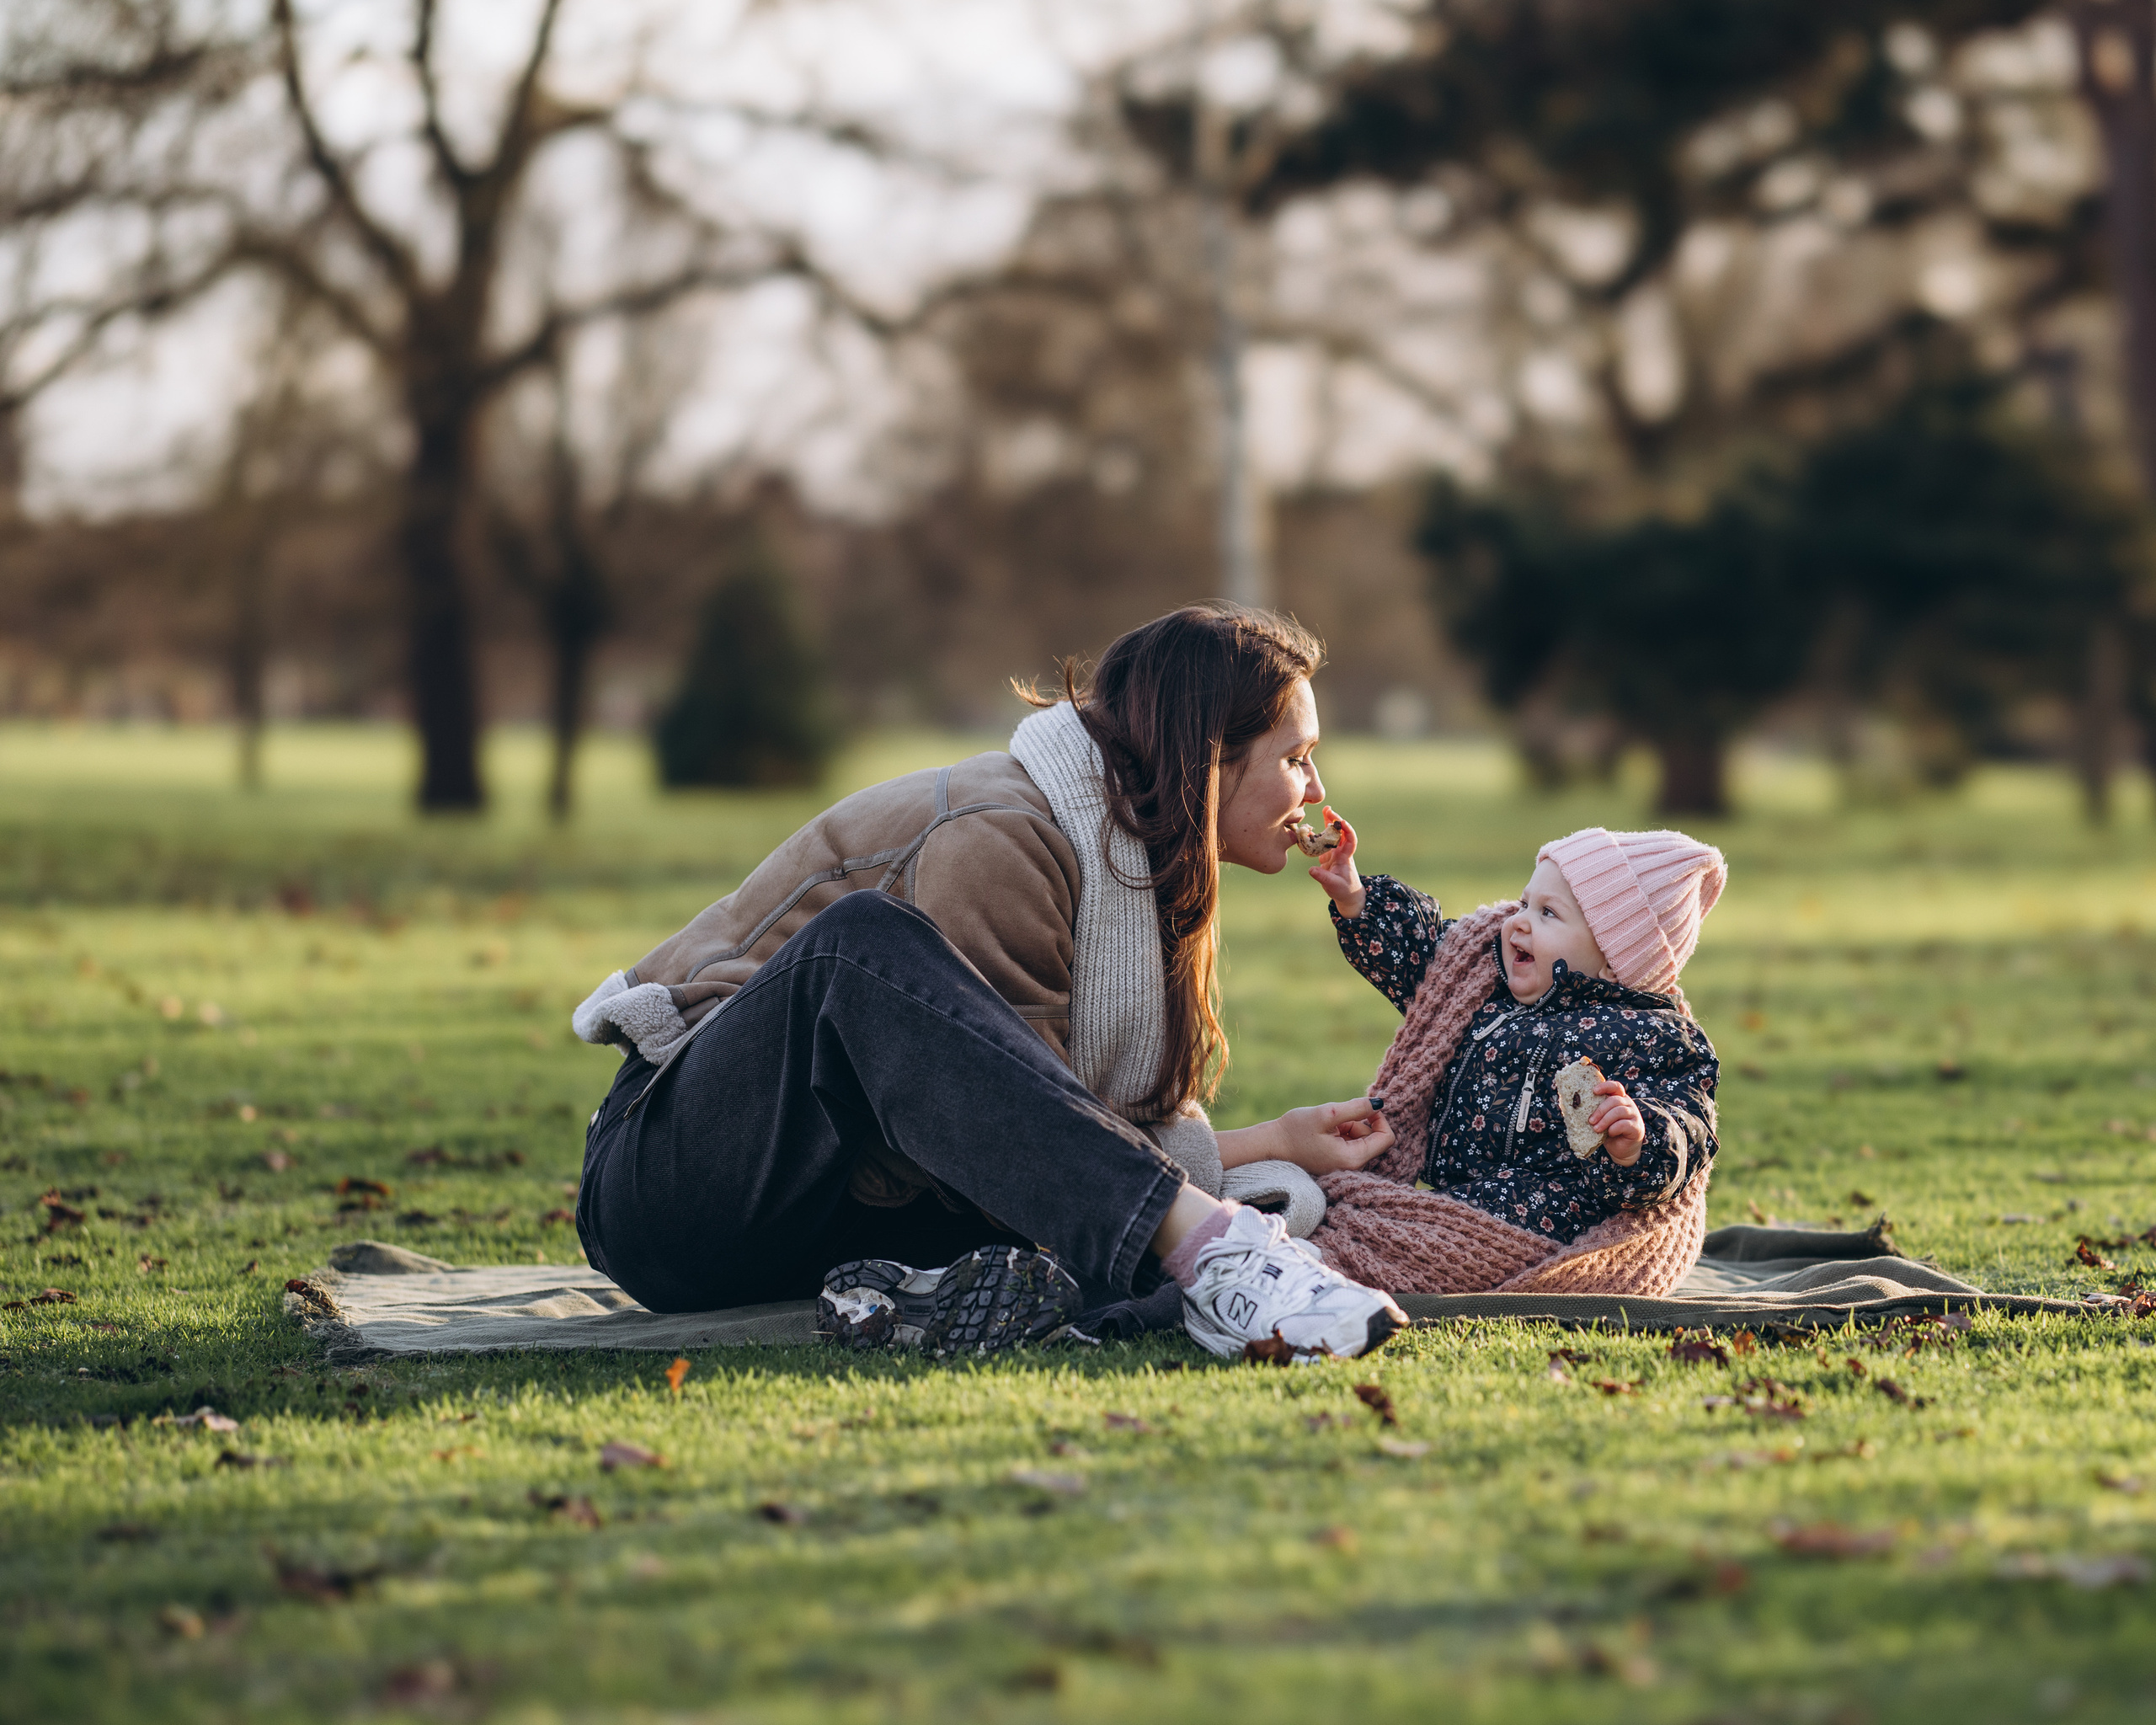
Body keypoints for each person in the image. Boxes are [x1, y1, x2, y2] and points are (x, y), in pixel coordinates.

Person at [571, 604, 1407, 1361]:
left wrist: (1273, 1141)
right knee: (857, 942)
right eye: (1296, 758)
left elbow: (1034, 1134)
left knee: (1069, 1234)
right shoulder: (1000, 836)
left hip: (835, 1212)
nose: (1317, 791)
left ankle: (924, 1295)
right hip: (675, 1186)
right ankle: (1215, 1256)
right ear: (1205, 761)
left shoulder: (1135, 861)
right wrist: (1219, 1195)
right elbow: (1010, 1147)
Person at [1305, 822, 1725, 1295]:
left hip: (1548, 1223)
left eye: (1549, 913)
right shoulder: (1488, 985)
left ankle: (1319, 1265)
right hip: (1456, 1201)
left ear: (1614, 958)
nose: (1518, 921)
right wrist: (1358, 900)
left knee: (1384, 1243)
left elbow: (1687, 1126)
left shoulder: (1652, 1037)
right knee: (1336, 1201)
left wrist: (1638, 1138)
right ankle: (1318, 1243)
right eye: (1526, 903)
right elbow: (1428, 961)